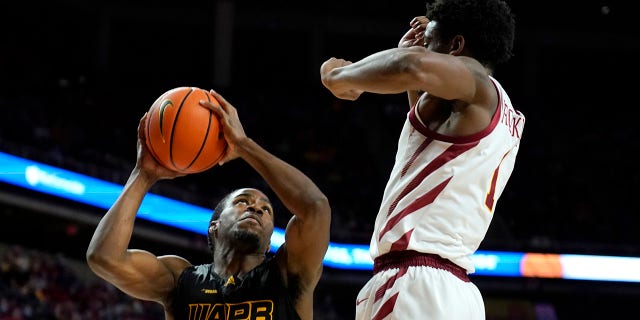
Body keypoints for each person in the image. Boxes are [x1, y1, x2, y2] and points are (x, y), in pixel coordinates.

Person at [320, 0, 524, 319]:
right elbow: (426, 140)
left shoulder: (475, 80)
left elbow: (409, 67)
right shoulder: (498, 109)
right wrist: (412, 58)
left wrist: (343, 78)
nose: (421, 49)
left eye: (429, 43)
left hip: (415, 283)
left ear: (456, 46)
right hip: (454, 292)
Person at [86, 90, 331, 320]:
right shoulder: (180, 280)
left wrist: (244, 145)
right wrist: (143, 175)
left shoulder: (288, 272)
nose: (256, 208)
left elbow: (316, 208)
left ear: (269, 243)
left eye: (266, 209)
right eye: (242, 202)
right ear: (214, 225)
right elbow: (105, 258)